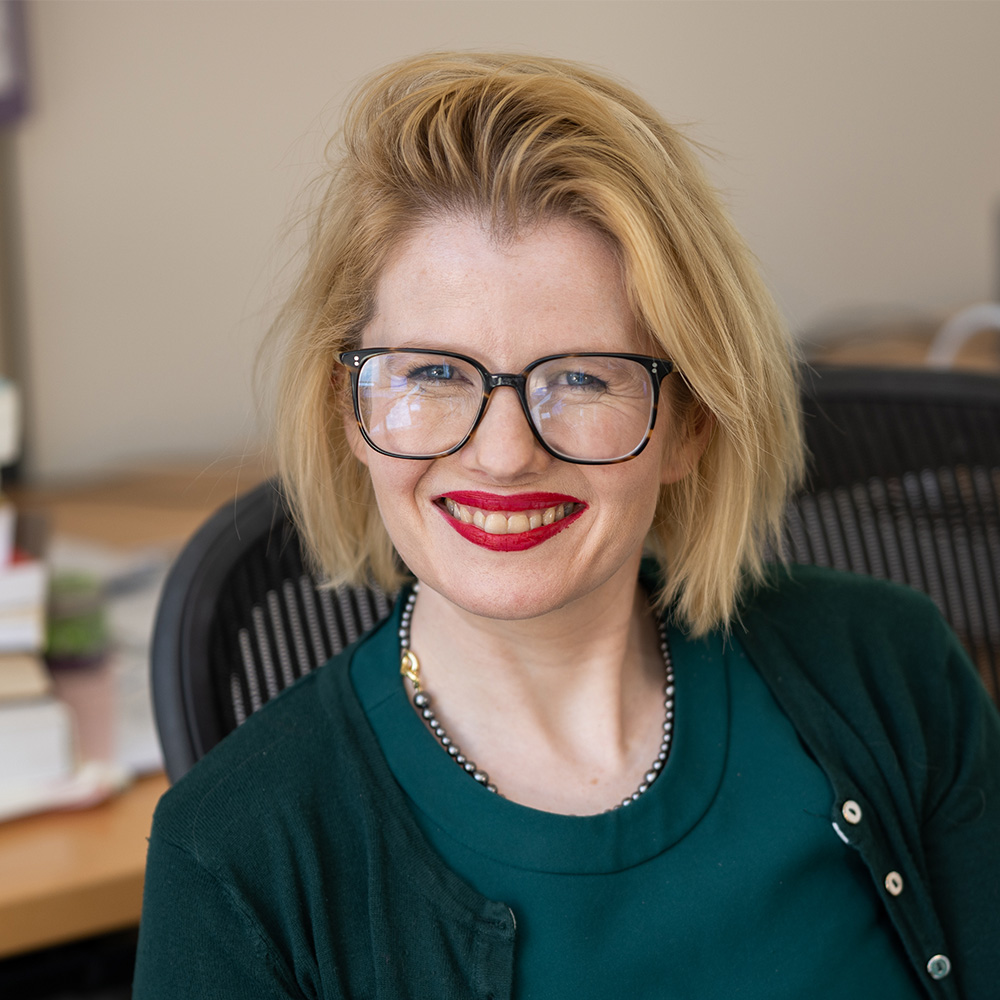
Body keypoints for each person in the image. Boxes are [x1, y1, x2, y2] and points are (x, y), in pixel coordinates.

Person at [133, 53, 1000, 999]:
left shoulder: (891, 667)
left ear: (691, 424)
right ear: (350, 415)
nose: (504, 454)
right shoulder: (233, 857)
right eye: (430, 373)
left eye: (582, 378)